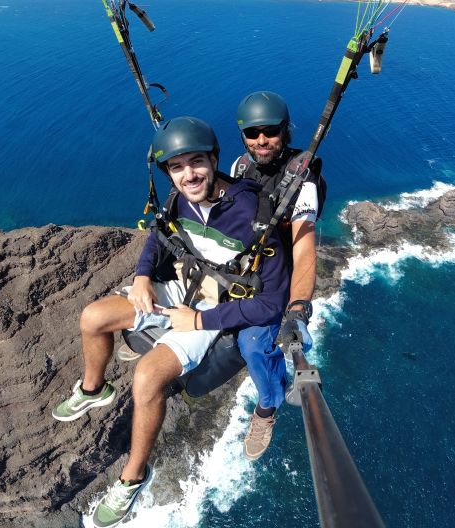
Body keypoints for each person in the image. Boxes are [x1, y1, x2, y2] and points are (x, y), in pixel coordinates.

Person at [51, 116, 288, 527]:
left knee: (146, 378)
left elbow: (271, 303)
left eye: (196, 163)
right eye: (176, 168)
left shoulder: (252, 216)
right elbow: (159, 235)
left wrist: (199, 320)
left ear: (214, 161)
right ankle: (94, 388)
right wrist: (143, 276)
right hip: (184, 291)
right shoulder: (181, 201)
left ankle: (132, 478)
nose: (188, 175)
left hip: (213, 311)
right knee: (94, 317)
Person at [232, 91, 323, 458]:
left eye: (270, 131)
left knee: (253, 345)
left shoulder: (303, 180)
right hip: (248, 266)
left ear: (284, 131)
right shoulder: (240, 168)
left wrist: (298, 307)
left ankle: (266, 408)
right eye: (252, 133)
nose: (261, 140)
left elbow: (303, 246)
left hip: (280, 277)